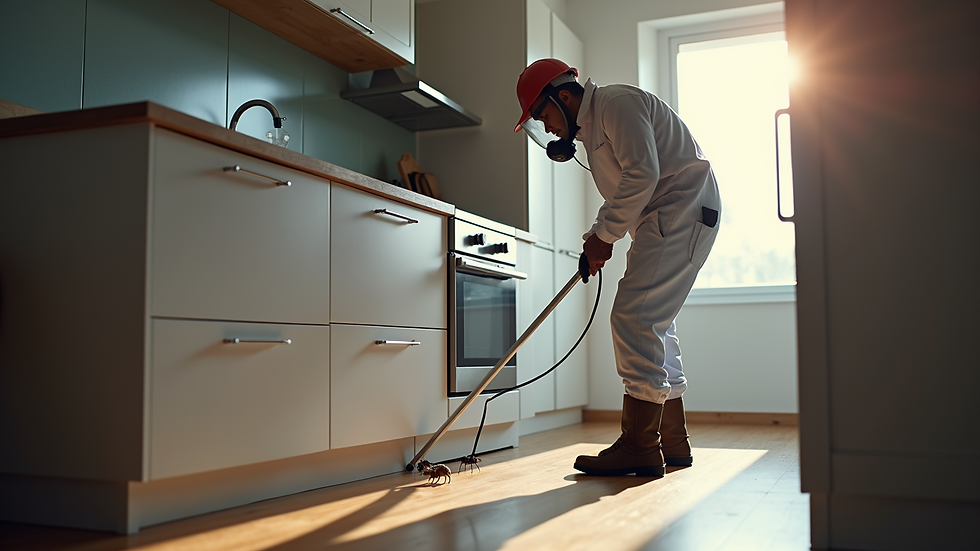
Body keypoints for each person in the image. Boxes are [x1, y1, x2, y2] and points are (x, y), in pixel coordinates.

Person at [514, 58, 722, 478]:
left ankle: (640, 446)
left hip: (679, 208)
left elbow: (643, 175)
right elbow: (627, 189)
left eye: (545, 115)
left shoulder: (615, 103)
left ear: (565, 96)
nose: (548, 127)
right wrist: (599, 235)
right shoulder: (596, 129)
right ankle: (671, 440)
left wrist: (604, 237)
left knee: (635, 318)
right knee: (652, 324)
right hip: (669, 213)